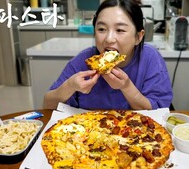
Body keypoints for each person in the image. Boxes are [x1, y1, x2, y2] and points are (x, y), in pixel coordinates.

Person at [43, 0, 173, 110]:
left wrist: (127, 87)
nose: (109, 39)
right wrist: (70, 86)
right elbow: (47, 105)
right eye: (101, 29)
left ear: (138, 37)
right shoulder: (83, 61)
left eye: (120, 30)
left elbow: (159, 112)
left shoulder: (150, 58)